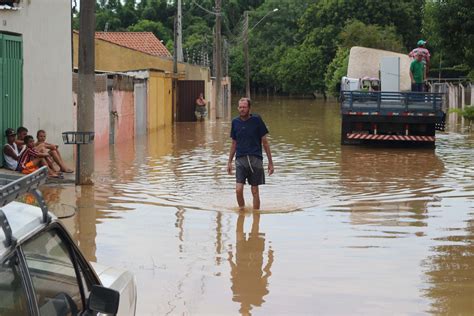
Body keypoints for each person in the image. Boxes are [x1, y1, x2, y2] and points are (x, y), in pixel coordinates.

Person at [227, 98, 274, 210]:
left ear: (249, 108)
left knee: (254, 190)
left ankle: (256, 216)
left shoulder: (257, 120)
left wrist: (270, 163)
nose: (242, 109)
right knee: (238, 189)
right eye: (240, 107)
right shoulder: (235, 122)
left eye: (244, 107)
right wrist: (229, 162)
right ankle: (242, 211)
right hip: (240, 159)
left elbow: (265, 142)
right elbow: (234, 143)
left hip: (255, 159)